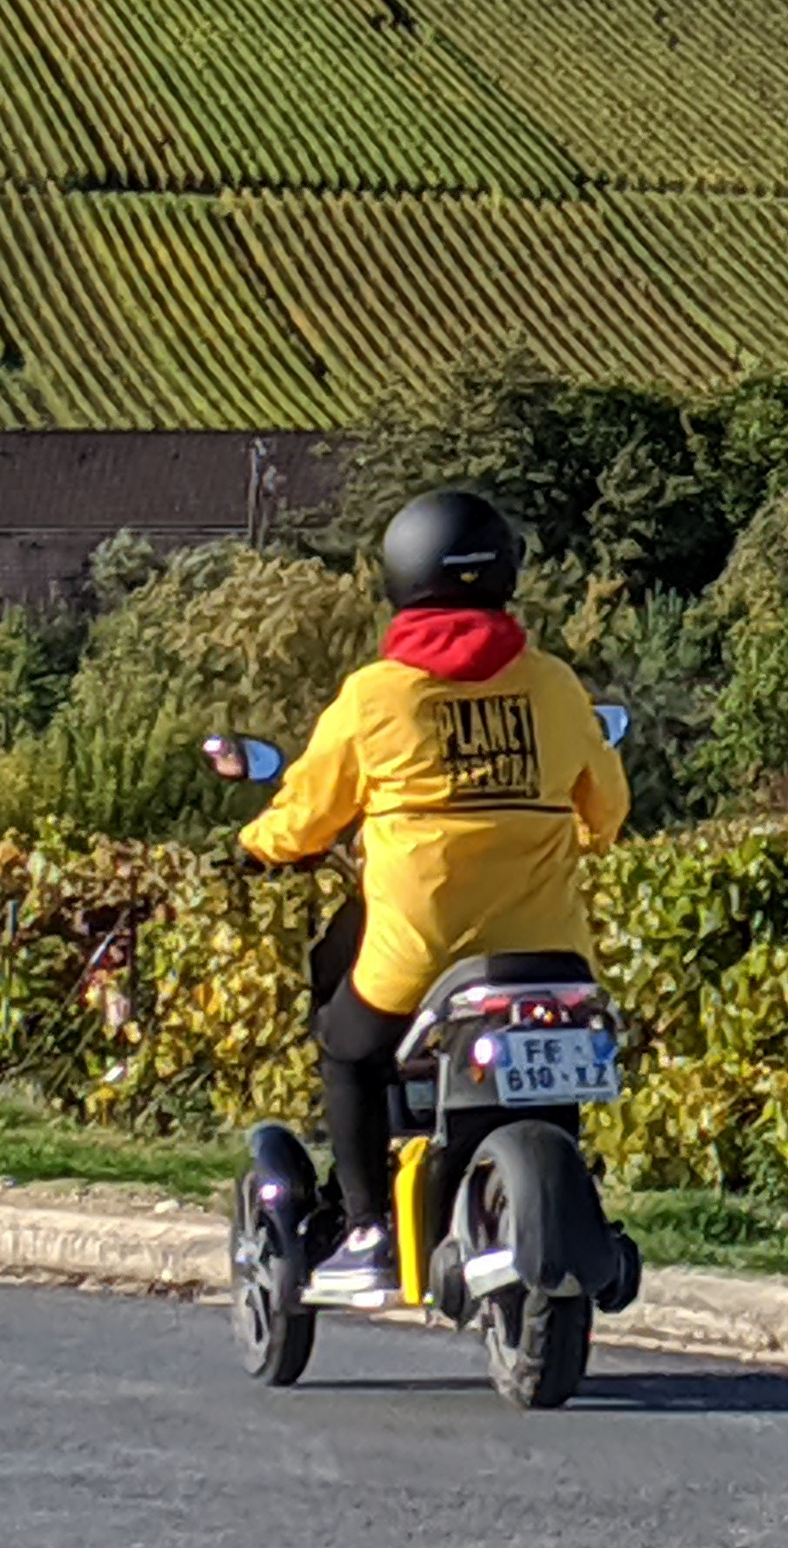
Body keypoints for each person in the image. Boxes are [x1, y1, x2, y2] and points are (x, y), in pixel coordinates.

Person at [240, 490, 628, 1306]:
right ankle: (564, 1204)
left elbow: (307, 814)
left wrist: (258, 847)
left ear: (401, 577)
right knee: (557, 1064)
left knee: (347, 1046)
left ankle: (368, 1230)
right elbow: (608, 810)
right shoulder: (555, 686)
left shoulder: (376, 696)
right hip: (548, 948)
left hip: (419, 953)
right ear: (507, 573)